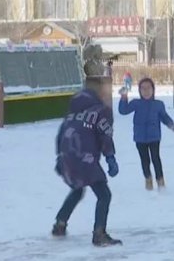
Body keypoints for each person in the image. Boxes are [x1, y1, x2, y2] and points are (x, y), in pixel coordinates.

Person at [52, 76, 122, 247]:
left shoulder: (72, 113)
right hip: (86, 158)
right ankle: (99, 234)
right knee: (104, 195)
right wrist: (110, 157)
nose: (108, 93)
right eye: (106, 90)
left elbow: (60, 135)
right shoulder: (101, 111)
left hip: (68, 157)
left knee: (77, 189)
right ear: (99, 92)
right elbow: (105, 135)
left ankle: (60, 224)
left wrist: (60, 158)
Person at [119, 78, 174, 191]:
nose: (146, 91)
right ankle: (148, 179)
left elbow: (164, 117)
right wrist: (124, 97)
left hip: (154, 137)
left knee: (156, 158)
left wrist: (172, 126)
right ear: (139, 90)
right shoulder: (136, 103)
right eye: (143, 88)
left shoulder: (158, 104)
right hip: (140, 138)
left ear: (153, 90)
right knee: (145, 160)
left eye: (148, 88)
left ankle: (160, 180)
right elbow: (123, 111)